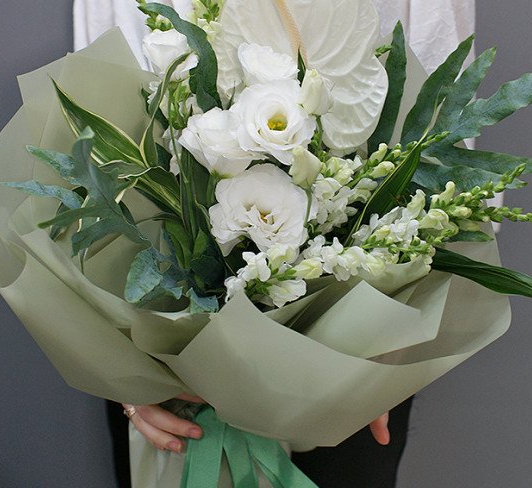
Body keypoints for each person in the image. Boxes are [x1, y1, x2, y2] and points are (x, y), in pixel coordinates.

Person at [73, 1, 476, 486]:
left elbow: (444, 157)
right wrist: (127, 378)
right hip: (162, 363)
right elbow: (94, 137)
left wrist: (383, 361)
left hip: (351, 367)